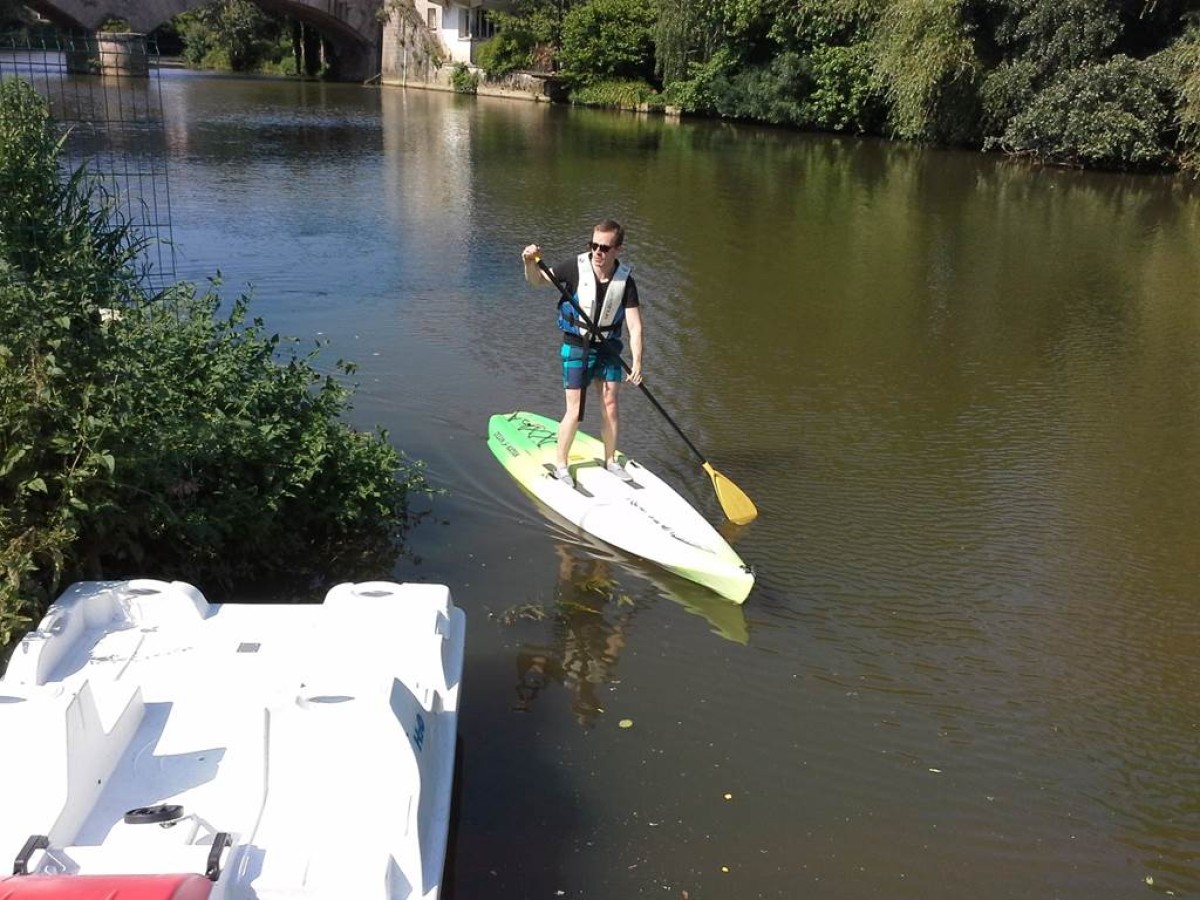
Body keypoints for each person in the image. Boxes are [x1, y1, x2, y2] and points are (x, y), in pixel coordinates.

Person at [521, 219, 644, 488]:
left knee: (611, 406)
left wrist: (637, 362)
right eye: (594, 245)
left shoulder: (626, 280)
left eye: (604, 247)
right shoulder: (574, 267)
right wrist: (529, 262)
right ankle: (561, 466)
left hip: (609, 347)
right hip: (577, 344)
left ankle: (610, 461)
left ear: (617, 249)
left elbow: (635, 325)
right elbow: (538, 281)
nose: (597, 252)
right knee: (574, 411)